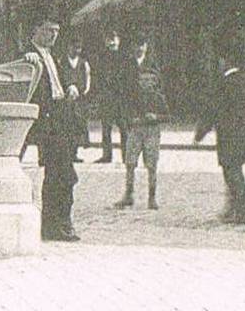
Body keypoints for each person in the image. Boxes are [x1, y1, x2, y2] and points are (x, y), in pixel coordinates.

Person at [25, 19, 83, 242]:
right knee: (62, 173)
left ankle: (55, 224)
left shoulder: (53, 56)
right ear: (35, 29)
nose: (53, 35)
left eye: (56, 31)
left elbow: (59, 79)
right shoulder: (30, 55)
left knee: (59, 173)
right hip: (49, 121)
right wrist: (26, 60)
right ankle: (60, 223)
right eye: (48, 30)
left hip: (63, 116)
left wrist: (71, 85)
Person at [194, 45, 245, 225]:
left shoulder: (224, 84)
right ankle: (233, 210)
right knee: (235, 171)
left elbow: (213, 111)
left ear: (226, 62)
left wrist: (200, 134)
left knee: (232, 173)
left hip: (229, 137)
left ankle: (244, 211)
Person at [116, 38, 168, 211]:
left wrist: (156, 116)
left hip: (152, 131)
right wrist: (130, 120)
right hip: (135, 130)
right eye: (142, 80)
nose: (145, 82)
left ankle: (152, 197)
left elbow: (166, 115)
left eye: (149, 80)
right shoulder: (133, 96)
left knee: (152, 165)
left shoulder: (158, 97)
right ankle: (128, 194)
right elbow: (126, 109)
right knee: (130, 162)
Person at [90, 28, 129, 162]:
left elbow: (127, 77)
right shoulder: (101, 57)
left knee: (124, 128)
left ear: (119, 40)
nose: (111, 42)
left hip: (121, 97)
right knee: (106, 128)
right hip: (107, 97)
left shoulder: (125, 57)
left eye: (114, 38)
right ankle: (107, 155)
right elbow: (98, 77)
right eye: (109, 39)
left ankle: (126, 155)